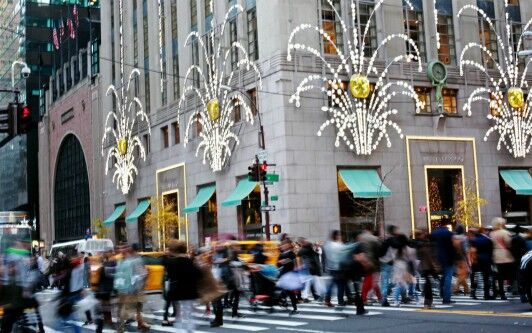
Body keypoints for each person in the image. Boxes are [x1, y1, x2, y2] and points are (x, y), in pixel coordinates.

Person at [164, 240, 202, 332]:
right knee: (188, 314)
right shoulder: (189, 261)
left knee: (178, 315)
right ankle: (189, 330)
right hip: (189, 291)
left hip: (176, 291)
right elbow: (199, 274)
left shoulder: (171, 262)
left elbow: (170, 276)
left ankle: (180, 329)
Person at [431, 222, 455, 304]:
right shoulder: (449, 234)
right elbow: (453, 246)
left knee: (443, 276)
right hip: (448, 257)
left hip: (437, 258)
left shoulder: (434, 233)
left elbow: (432, 245)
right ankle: (446, 297)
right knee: (448, 277)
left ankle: (441, 292)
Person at [490, 218, 514, 300]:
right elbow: (509, 243)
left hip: (496, 255)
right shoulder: (505, 232)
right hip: (506, 256)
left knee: (497, 277)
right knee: (508, 275)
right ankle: (511, 289)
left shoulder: (491, 233)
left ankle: (499, 293)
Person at [358, 226, 383, 305]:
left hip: (363, 262)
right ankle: (363, 299)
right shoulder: (374, 239)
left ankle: (379, 297)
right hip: (373, 262)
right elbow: (379, 252)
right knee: (370, 281)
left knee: (370, 280)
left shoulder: (360, 238)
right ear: (371, 230)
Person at [95, 247, 116, 333]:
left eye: (107, 252)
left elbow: (112, 274)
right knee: (104, 305)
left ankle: (108, 320)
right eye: (105, 252)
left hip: (107, 287)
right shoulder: (101, 263)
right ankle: (106, 319)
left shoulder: (111, 262)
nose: (105, 254)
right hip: (102, 287)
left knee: (107, 304)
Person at [379, 225, 401, 307]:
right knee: (393, 281)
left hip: (383, 262)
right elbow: (394, 252)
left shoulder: (387, 240)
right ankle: (384, 298)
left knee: (385, 281)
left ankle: (383, 299)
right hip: (389, 262)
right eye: (396, 230)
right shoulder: (392, 240)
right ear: (393, 231)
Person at [415, 229, 438, 308]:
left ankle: (427, 303)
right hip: (426, 267)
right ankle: (427, 303)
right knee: (428, 286)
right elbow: (429, 258)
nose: (425, 235)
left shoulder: (418, 244)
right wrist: (434, 267)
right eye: (423, 234)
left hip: (422, 267)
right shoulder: (424, 245)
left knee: (427, 286)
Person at [470, 227, 494, 300]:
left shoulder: (474, 240)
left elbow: (472, 250)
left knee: (475, 277)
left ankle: (473, 293)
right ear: (483, 231)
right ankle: (486, 294)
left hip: (476, 260)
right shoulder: (488, 240)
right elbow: (491, 251)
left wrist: (473, 259)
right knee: (486, 278)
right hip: (486, 260)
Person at [323, 230, 346, 307]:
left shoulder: (327, 245)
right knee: (341, 285)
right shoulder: (339, 245)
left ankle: (327, 299)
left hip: (331, 267)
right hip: (339, 267)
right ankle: (340, 301)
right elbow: (343, 255)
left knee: (332, 284)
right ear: (336, 236)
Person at [391, 234, 415, 307]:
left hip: (396, 265)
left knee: (400, 283)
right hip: (403, 265)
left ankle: (398, 299)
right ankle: (397, 299)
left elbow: (393, 258)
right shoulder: (406, 248)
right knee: (403, 284)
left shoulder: (395, 247)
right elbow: (410, 258)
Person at [277, 240, 299, 315]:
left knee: (290, 292)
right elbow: (278, 264)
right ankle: (284, 300)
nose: (282, 246)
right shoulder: (281, 254)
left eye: (284, 245)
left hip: (290, 274)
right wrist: (282, 261)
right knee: (286, 290)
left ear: (289, 245)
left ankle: (294, 308)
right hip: (283, 275)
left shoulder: (291, 253)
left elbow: (288, 261)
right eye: (282, 245)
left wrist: (283, 261)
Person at [453, 224, 470, 295]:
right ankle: (456, 288)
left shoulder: (453, 237)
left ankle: (467, 289)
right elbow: (465, 249)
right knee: (463, 274)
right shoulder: (464, 238)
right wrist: (468, 259)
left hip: (454, 258)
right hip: (462, 257)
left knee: (460, 274)